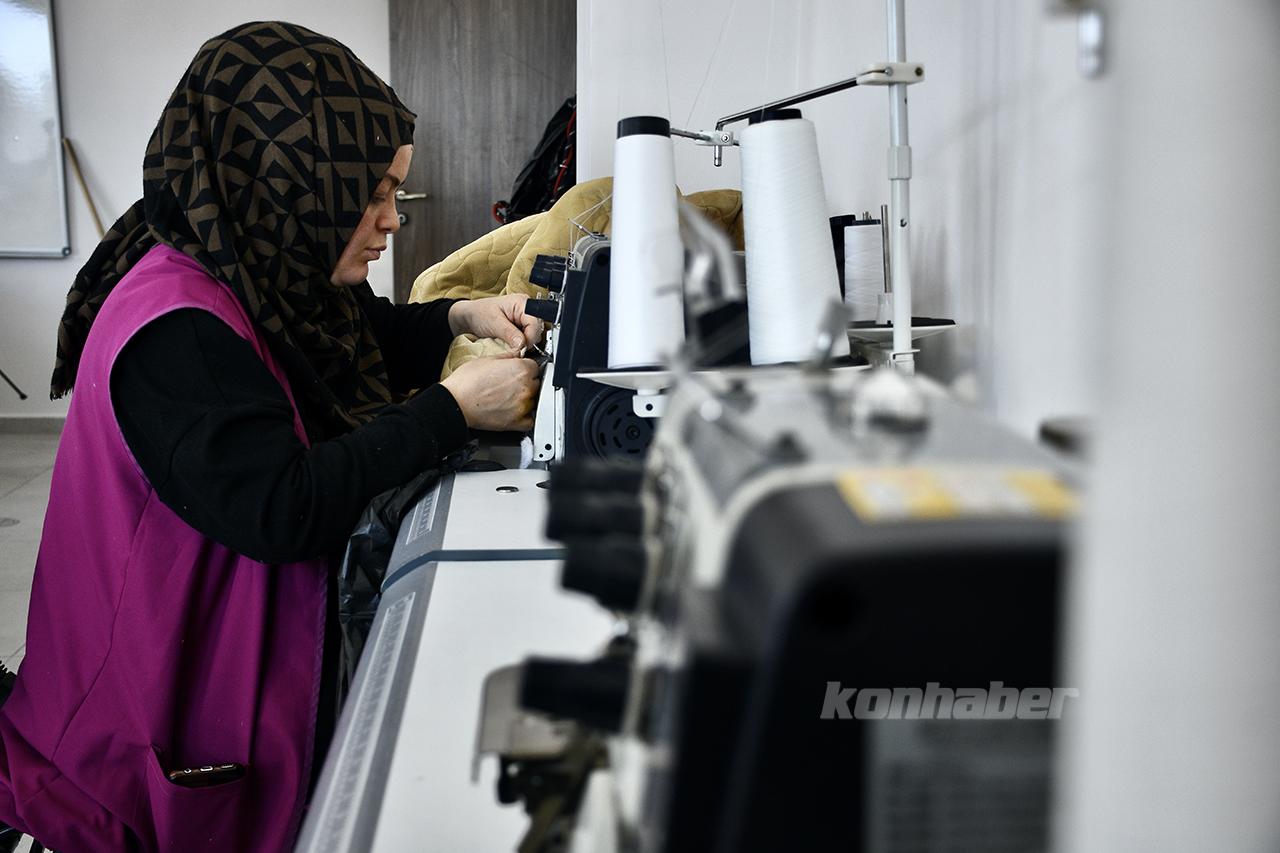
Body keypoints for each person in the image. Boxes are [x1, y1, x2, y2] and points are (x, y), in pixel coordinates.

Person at [0, 21, 540, 851]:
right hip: (144, 721)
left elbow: (354, 337)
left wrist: (462, 315)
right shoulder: (175, 329)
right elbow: (283, 507)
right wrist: (451, 410)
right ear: (290, 177)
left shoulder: (259, 265)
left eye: (394, 192)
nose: (390, 220)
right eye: (372, 193)